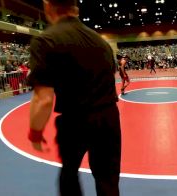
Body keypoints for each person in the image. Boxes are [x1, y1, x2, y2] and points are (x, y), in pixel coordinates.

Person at [27, 0, 121, 196]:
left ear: (47, 6)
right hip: (109, 118)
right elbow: (109, 75)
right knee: (108, 180)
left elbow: (43, 99)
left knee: (69, 176)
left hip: (76, 119)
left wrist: (35, 132)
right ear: (75, 8)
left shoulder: (46, 40)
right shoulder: (101, 41)